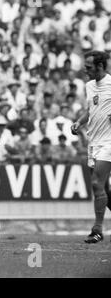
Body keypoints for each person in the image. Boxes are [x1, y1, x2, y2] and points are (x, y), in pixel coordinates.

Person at [71, 50, 111, 243]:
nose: (85, 70)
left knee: (97, 183)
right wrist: (79, 123)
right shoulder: (88, 86)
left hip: (109, 142)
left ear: (100, 66)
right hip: (93, 143)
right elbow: (90, 111)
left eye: (89, 67)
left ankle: (97, 230)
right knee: (105, 189)